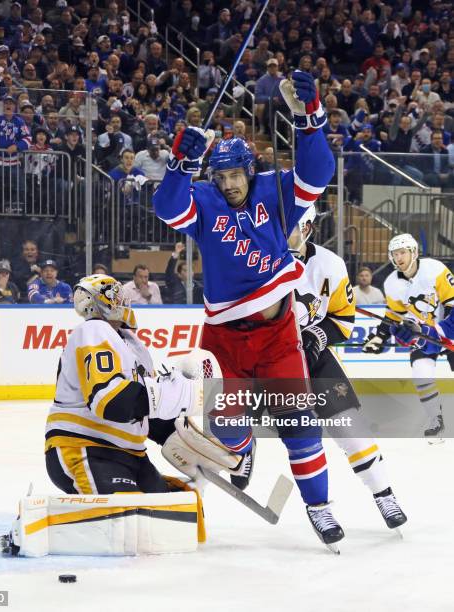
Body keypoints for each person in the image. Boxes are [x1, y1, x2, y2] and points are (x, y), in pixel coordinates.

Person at [153, 71, 344, 547]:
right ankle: (242, 446)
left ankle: (319, 509)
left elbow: (318, 172)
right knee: (228, 432)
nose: (229, 184)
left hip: (278, 333)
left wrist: (311, 121)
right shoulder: (205, 199)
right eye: (220, 177)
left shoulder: (274, 191)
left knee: (300, 426)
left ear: (250, 171)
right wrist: (181, 163)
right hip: (224, 340)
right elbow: (165, 207)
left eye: (235, 175)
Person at [289, 207, 407, 530]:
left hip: (315, 359)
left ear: (308, 227)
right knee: (300, 437)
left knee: (351, 430)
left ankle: (384, 494)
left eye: (290, 225)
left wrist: (319, 333)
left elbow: (343, 318)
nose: (282, 231)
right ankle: (318, 507)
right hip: (275, 362)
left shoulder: (330, 265)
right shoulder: (259, 260)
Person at [45, 273, 201, 494]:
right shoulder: (93, 330)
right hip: (85, 447)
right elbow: (112, 402)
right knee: (129, 513)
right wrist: (179, 393)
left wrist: (193, 446)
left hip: (132, 455)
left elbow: (147, 412)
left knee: (182, 501)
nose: (124, 301)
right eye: (118, 296)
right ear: (108, 300)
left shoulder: (132, 344)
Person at [363, 234, 454, 438]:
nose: (399, 258)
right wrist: (380, 337)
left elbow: (453, 306)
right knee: (420, 371)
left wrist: (439, 333)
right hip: (425, 335)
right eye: (395, 254)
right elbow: (394, 315)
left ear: (414, 252)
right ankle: (435, 420)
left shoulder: (435, 269)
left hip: (448, 329)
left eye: (402, 252)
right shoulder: (391, 283)